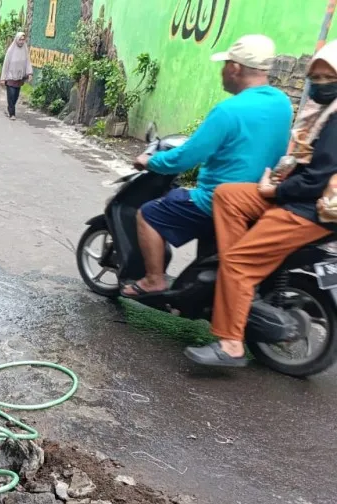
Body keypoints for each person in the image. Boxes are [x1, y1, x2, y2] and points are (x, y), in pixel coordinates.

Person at [185, 42, 337, 367]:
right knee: (228, 195)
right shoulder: (320, 112)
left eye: (330, 77)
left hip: (311, 210)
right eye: (318, 76)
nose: (322, 83)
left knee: (238, 263)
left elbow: (315, 182)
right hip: (299, 195)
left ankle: (230, 345)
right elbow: (304, 164)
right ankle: (236, 286)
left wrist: (274, 192)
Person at [123, 35, 292, 296]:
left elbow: (186, 157)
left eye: (225, 64)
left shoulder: (228, 111)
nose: (222, 71)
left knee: (148, 214)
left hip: (215, 201)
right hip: (260, 198)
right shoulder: (282, 104)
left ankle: (153, 280)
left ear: (235, 68)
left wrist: (150, 161)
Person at [0, 32, 33, 119]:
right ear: (16, 39)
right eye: (20, 39)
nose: (21, 41)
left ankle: (10, 108)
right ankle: (12, 114)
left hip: (19, 77)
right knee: (11, 95)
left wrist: (29, 73)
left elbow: (27, 62)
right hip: (10, 76)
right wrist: (3, 78)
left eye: (23, 39)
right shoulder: (11, 50)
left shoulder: (25, 49)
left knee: (16, 96)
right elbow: (6, 64)